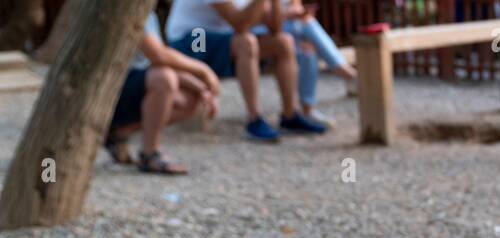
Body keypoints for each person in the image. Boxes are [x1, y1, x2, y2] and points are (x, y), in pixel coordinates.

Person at [165, 0, 328, 141]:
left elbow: (275, 27)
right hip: (190, 41)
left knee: (283, 42)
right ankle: (254, 118)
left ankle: (290, 115)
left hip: (219, 39)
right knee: (246, 42)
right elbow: (240, 24)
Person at [106, 6, 221, 174]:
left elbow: (155, 62)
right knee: (164, 79)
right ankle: (150, 154)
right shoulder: (126, 8)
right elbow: (158, 56)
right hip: (106, 92)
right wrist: (203, 71)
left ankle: (119, 133)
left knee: (190, 99)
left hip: (128, 84)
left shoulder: (148, 13)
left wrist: (201, 87)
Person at [254, 2, 356, 126]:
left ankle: (305, 110)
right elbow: (261, 19)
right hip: (261, 31)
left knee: (307, 47)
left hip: (287, 29)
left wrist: (296, 13)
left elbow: (296, 6)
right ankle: (346, 72)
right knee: (305, 25)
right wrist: (289, 14)